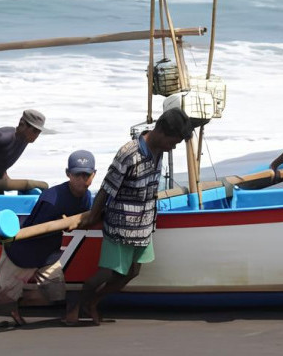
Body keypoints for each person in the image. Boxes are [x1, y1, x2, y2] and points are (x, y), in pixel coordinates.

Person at [65, 108, 193, 325]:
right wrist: (93, 216)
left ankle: (93, 302)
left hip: (144, 224)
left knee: (133, 271)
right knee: (106, 273)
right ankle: (74, 309)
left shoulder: (159, 151)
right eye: (174, 142)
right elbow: (106, 187)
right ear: (162, 132)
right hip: (122, 224)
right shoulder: (129, 153)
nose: (174, 147)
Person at [0, 150, 96, 327]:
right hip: (23, 251)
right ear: (68, 174)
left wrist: (74, 223)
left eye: (87, 175)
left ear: (94, 175)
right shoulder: (51, 200)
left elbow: (83, 218)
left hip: (49, 253)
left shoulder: (85, 197)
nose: (82, 180)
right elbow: (35, 231)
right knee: (1, 292)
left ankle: (13, 303)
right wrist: (63, 223)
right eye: (77, 174)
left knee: (55, 294)